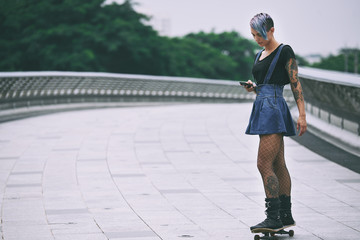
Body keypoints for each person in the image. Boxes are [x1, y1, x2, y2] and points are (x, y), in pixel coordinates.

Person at [243, 13, 307, 231]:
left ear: (271, 30)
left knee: (263, 164)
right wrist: (254, 88)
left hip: (273, 108)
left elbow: (295, 83)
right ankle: (285, 215)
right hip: (263, 105)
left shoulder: (284, 51)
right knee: (278, 163)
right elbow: (265, 83)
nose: (256, 39)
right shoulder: (259, 54)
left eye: (259, 35)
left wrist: (302, 115)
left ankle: (273, 218)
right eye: (253, 35)